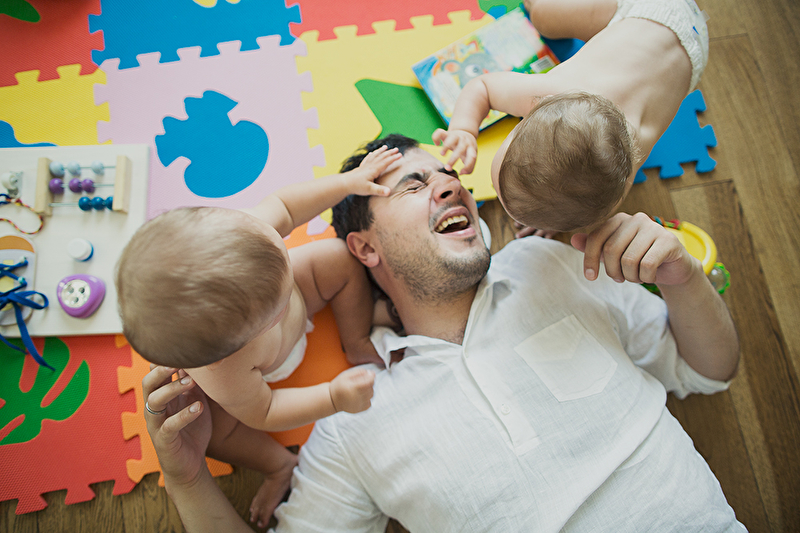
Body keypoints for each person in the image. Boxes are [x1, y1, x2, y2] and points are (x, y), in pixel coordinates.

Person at [143, 135, 745, 532]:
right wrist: (187, 478)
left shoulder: (551, 262)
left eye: (451, 174)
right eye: (413, 185)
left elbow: (708, 371)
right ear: (364, 248)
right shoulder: (351, 422)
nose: (452, 185)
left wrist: (681, 277)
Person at [117, 145, 401, 527]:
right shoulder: (222, 373)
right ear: (225, 353)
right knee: (216, 434)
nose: (288, 258)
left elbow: (284, 206)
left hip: (297, 310)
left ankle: (357, 342)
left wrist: (348, 183)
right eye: (280, 304)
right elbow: (266, 410)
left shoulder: (243, 234)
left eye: (280, 252)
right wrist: (333, 397)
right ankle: (278, 466)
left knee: (336, 256)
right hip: (266, 371)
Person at [432, 0, 709, 237]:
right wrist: (464, 128)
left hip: (674, 32)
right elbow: (482, 87)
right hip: (666, 24)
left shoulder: (626, 158)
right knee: (543, 15)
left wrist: (555, 218)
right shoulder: (551, 93)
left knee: (547, 18)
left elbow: (598, 203)